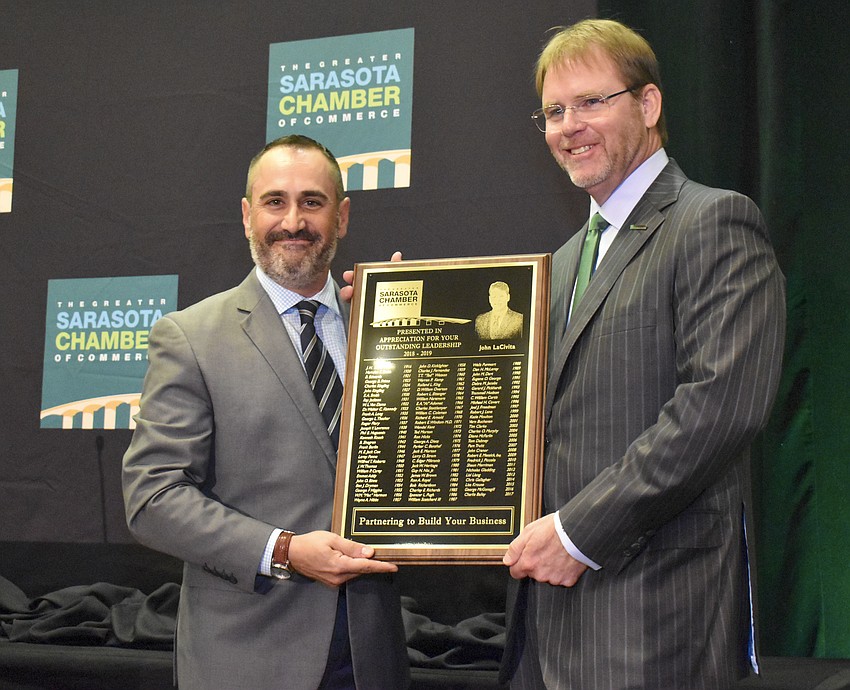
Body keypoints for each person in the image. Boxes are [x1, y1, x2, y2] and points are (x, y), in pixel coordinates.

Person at [500, 19, 786, 690]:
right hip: (546, 623)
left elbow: (717, 409)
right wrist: (401, 317)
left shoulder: (714, 221)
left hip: (656, 614)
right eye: (553, 112)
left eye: (591, 102)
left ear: (649, 105)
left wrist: (576, 533)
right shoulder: (564, 263)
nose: (569, 126)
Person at [122, 135, 410, 690]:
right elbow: (152, 498)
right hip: (248, 655)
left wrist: (412, 334)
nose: (294, 221)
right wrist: (283, 550)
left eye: (313, 202)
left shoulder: (381, 323)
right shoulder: (190, 337)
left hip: (371, 650)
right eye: (275, 202)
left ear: (342, 216)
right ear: (248, 216)